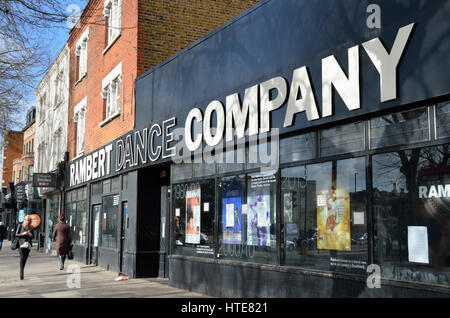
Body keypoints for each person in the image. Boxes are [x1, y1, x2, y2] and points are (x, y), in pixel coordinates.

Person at [15, 215, 33, 280]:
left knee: (25, 259)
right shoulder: (20, 225)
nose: (27, 221)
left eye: (29, 220)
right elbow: (16, 234)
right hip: (21, 244)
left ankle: (22, 269)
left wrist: (30, 235)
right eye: (26, 219)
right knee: (22, 257)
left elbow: (32, 236)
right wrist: (23, 233)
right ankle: (21, 272)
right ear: (24, 220)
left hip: (28, 245)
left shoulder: (31, 227)